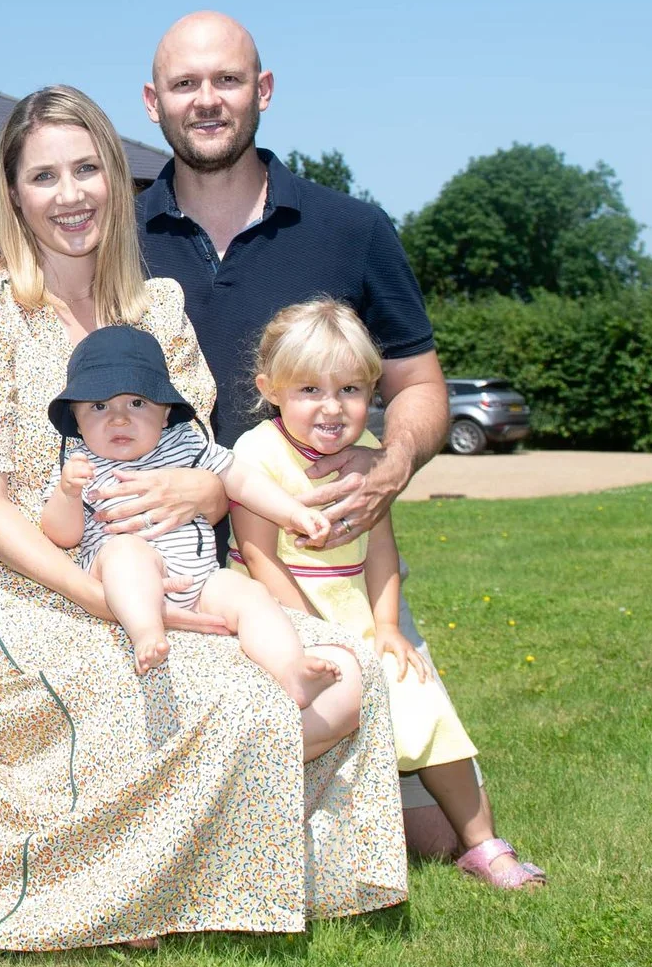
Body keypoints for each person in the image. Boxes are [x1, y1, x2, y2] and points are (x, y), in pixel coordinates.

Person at [0, 85, 405, 952]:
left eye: (85, 168)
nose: (69, 194)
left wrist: (200, 499)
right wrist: (97, 595)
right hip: (21, 585)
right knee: (189, 692)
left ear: (114, 175)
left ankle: (176, 867)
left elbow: (211, 471)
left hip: (173, 573)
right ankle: (129, 886)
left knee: (347, 667)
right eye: (43, 176)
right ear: (14, 193)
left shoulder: (160, 310)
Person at [136, 9, 465, 854]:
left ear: (264, 91)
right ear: (152, 103)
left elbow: (419, 382)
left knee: (430, 815)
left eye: (227, 80)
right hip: (161, 558)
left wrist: (392, 462)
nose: (206, 100)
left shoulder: (351, 227)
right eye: (185, 83)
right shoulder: (113, 237)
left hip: (316, 561)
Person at [233, 299, 546, 891]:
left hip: (356, 604)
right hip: (281, 610)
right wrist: (313, 634)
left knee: (424, 700)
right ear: (270, 389)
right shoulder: (257, 454)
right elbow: (258, 555)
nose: (332, 407)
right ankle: (276, 844)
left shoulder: (370, 450)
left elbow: (380, 550)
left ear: (372, 390)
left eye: (350, 389)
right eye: (309, 390)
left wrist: (388, 627)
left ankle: (484, 845)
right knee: (311, 716)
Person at [40, 327, 356, 739]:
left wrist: (293, 511)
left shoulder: (185, 445)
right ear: (77, 420)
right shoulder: (82, 463)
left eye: (137, 402)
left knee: (248, 594)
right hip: (124, 584)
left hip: (200, 581)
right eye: (99, 406)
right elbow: (61, 534)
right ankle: (146, 632)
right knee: (127, 552)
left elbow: (240, 480)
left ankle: (290, 670)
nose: (119, 417)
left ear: (166, 412)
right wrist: (67, 493)